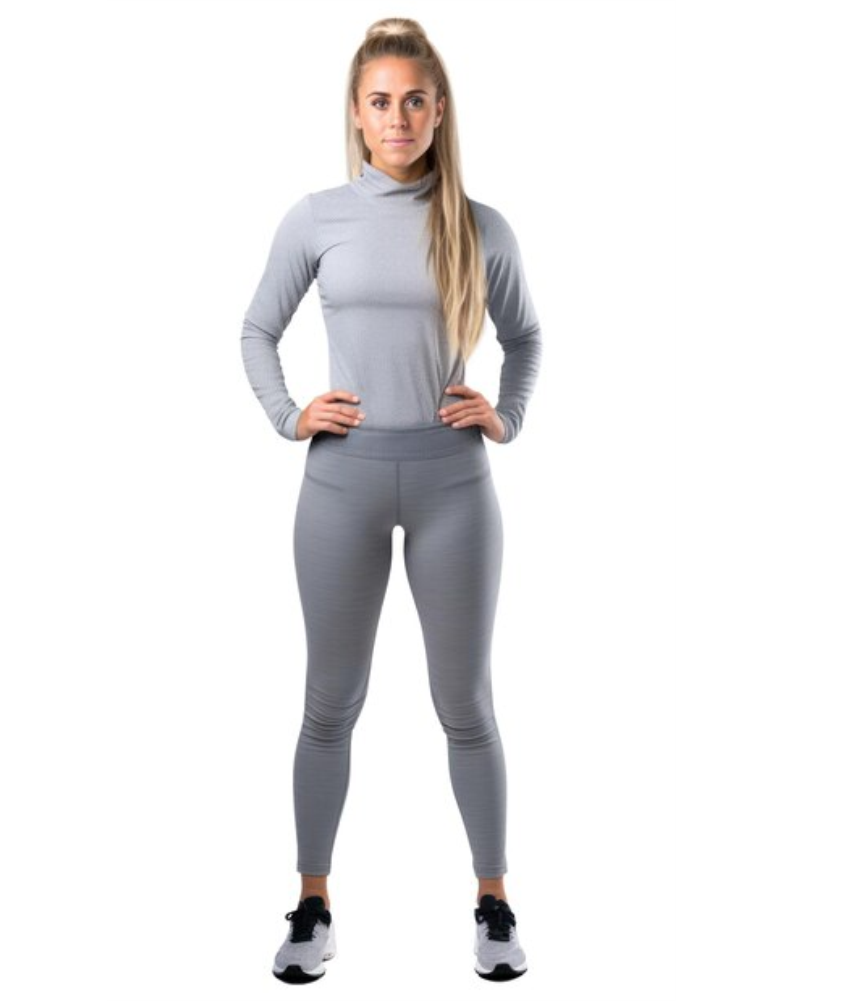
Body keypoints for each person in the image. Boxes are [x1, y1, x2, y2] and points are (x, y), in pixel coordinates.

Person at [240, 16, 542, 984]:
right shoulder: (316, 217)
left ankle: (492, 901)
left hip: (454, 482)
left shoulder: (480, 226)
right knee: (328, 702)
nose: (397, 116)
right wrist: (290, 414)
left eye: (414, 99)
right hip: (342, 481)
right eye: (380, 101)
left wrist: (506, 414)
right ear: (356, 113)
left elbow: (526, 337)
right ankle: (312, 902)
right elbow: (255, 330)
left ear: (439, 110)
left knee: (465, 703)